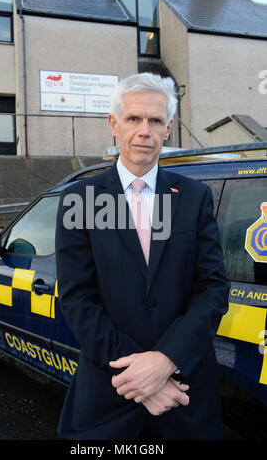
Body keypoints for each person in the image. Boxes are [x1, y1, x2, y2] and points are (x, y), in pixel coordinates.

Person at [55, 72, 230, 440]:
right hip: (109, 393)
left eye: (155, 121)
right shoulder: (82, 199)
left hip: (184, 398)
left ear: (168, 129)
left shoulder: (194, 197)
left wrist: (166, 361)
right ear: (114, 124)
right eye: (134, 119)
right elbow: (77, 298)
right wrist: (143, 378)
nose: (144, 131)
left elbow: (212, 289)